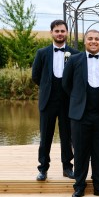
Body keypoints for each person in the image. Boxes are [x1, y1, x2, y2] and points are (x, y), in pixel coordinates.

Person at [62, 29, 99, 197]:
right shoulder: (73, 60)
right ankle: (79, 186)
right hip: (80, 115)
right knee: (80, 152)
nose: (93, 41)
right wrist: (78, 99)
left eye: (97, 39)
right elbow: (66, 84)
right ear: (84, 41)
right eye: (90, 39)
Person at [32, 19, 79, 182]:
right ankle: (43, 169)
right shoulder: (42, 53)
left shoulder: (75, 54)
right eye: (57, 31)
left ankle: (67, 167)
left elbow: (77, 78)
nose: (60, 34)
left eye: (62, 31)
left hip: (67, 101)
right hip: (48, 101)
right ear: (51, 32)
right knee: (45, 136)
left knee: (67, 136)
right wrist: (47, 87)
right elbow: (35, 76)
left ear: (67, 33)